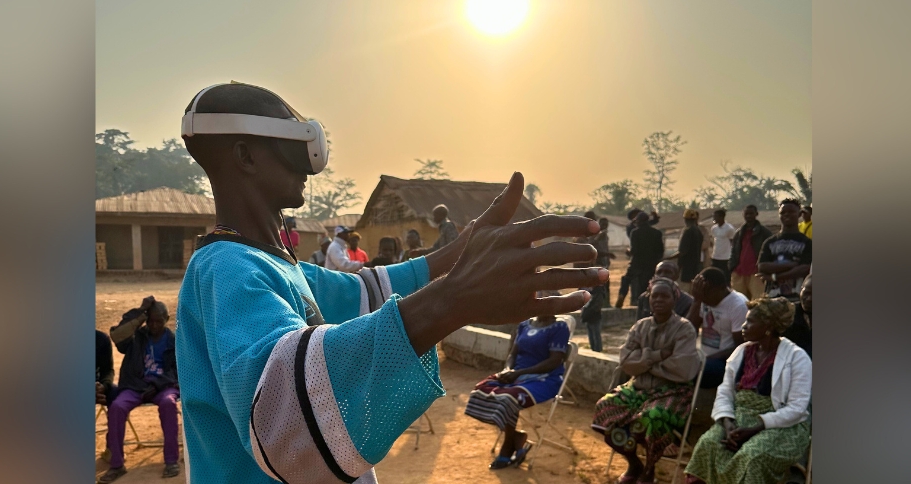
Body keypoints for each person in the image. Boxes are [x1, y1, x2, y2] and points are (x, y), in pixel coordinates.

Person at [174, 83, 606, 484]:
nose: (307, 164)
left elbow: (365, 293)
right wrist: (454, 300)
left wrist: (463, 248)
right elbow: (282, 417)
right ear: (245, 156)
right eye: (289, 147)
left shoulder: (276, 264)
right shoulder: (228, 268)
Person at [684, 298, 812, 484]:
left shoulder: (797, 358)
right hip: (739, 418)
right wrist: (728, 423)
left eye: (750, 322)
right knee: (708, 444)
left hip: (782, 426)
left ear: (768, 326)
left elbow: (797, 408)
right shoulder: (741, 352)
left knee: (751, 456)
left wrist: (755, 429)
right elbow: (725, 392)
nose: (743, 326)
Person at [592, 278, 701, 484]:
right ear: (649, 298)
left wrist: (643, 361)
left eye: (664, 296)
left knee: (650, 417)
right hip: (638, 387)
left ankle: (649, 471)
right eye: (655, 295)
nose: (659, 299)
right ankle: (634, 463)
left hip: (673, 392)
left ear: (674, 299)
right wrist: (659, 356)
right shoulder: (640, 326)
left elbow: (682, 369)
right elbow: (625, 362)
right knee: (604, 408)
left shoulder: (684, 329)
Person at [464, 309, 570, 470]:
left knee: (508, 398)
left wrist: (519, 373)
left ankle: (507, 446)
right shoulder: (524, 325)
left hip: (544, 379)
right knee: (481, 390)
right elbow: (512, 354)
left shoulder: (559, 327)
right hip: (517, 375)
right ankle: (516, 437)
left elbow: (554, 361)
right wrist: (507, 370)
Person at [99, 296, 179, 483]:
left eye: (158, 321)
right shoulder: (136, 337)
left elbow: (178, 372)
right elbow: (117, 335)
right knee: (117, 407)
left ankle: (171, 461)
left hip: (163, 387)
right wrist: (139, 313)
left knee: (168, 403)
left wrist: (156, 385)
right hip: (135, 386)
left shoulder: (173, 341)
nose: (154, 325)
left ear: (166, 319)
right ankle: (117, 465)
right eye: (150, 320)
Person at [686, 268, 749, 389]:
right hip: (705, 359)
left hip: (726, 362)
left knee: (695, 370)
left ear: (721, 288)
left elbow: (742, 348)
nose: (703, 300)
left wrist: (708, 359)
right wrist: (696, 301)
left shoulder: (738, 306)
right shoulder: (703, 298)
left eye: (705, 295)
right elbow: (687, 331)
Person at [757, 199, 812, 303]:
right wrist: (791, 265)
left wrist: (774, 277)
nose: (786, 215)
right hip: (773, 299)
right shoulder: (770, 242)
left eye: (791, 212)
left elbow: (805, 269)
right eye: (783, 212)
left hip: (798, 299)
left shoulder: (807, 242)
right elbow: (762, 266)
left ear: (799, 214)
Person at [579, 217, 613, 352]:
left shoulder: (597, 285)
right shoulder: (593, 239)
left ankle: (597, 351)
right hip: (589, 310)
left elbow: (597, 299)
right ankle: (595, 350)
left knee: (595, 332)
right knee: (592, 332)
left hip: (593, 310)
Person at [619, 211, 665, 308]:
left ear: (638, 221)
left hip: (637, 264)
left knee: (626, 279)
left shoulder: (634, 232)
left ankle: (622, 295)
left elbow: (634, 250)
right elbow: (660, 251)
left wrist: (628, 251)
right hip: (652, 264)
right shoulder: (657, 233)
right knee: (649, 285)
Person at [728, 205, 772, 301]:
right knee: (738, 301)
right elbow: (734, 251)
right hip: (739, 272)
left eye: (751, 213)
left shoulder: (765, 233)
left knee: (759, 302)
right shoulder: (739, 233)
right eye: (746, 214)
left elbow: (770, 252)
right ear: (743, 214)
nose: (748, 216)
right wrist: (732, 267)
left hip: (756, 273)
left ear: (756, 214)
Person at [676, 209, 704, 293]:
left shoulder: (687, 231)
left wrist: (667, 258)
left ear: (685, 219)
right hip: (696, 266)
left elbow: (682, 252)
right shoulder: (698, 231)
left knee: (685, 291)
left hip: (686, 268)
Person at [709, 209, 736, 279]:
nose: (714, 218)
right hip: (715, 256)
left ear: (721, 217)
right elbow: (713, 241)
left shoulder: (729, 229)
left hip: (725, 257)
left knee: (725, 277)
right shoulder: (714, 228)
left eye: (715, 217)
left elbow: (733, 242)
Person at [96, 329, 116, 406]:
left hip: (95, 384)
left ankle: (115, 418)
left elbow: (108, 370)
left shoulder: (101, 339)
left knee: (116, 394)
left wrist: (104, 386)